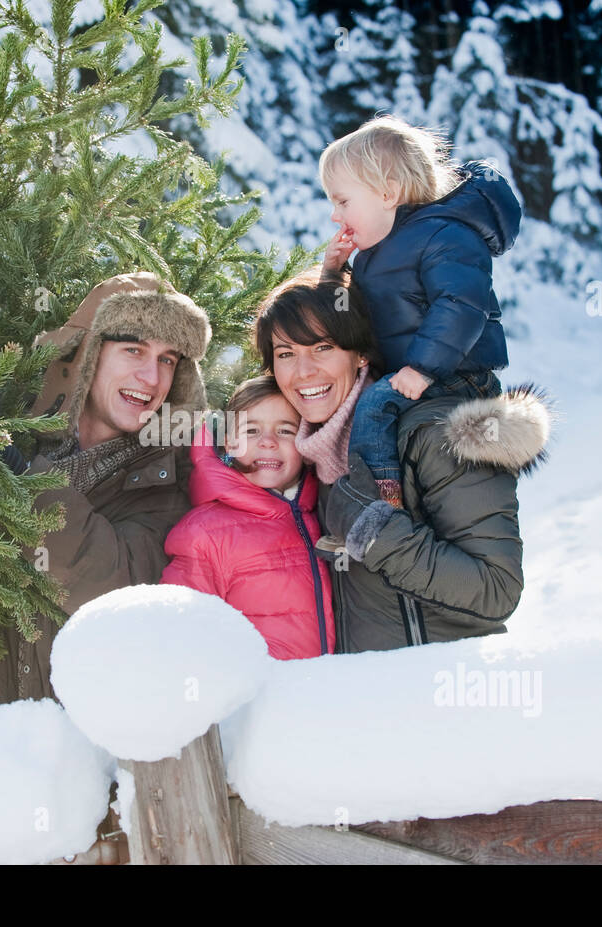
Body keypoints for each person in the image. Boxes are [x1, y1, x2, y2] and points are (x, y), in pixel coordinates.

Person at [0, 272, 212, 719]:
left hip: (66, 760)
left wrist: (20, 477)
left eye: (169, 359)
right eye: (133, 349)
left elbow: (109, 584)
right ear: (87, 355)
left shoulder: (167, 484)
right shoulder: (0, 428)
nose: (151, 377)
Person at [254, 265, 551, 650]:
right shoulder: (311, 457)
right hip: (371, 699)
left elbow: (495, 591)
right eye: (285, 353)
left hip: (448, 691)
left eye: (323, 347)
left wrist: (371, 530)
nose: (304, 371)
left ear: (360, 354)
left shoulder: (432, 436)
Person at [319, 116, 522, 510]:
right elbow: (349, 317)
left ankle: (383, 506)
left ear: (388, 194)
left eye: (343, 201)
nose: (334, 215)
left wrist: (423, 368)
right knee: (358, 404)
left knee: (375, 407)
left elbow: (462, 304)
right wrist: (333, 273)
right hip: (415, 374)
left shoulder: (445, 235)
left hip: (458, 376)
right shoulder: (371, 258)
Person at [159, 376, 335, 659]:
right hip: (258, 697)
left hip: (327, 694)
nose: (268, 442)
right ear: (229, 444)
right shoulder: (205, 533)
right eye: (252, 430)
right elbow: (180, 632)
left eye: (286, 431)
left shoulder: (324, 512)